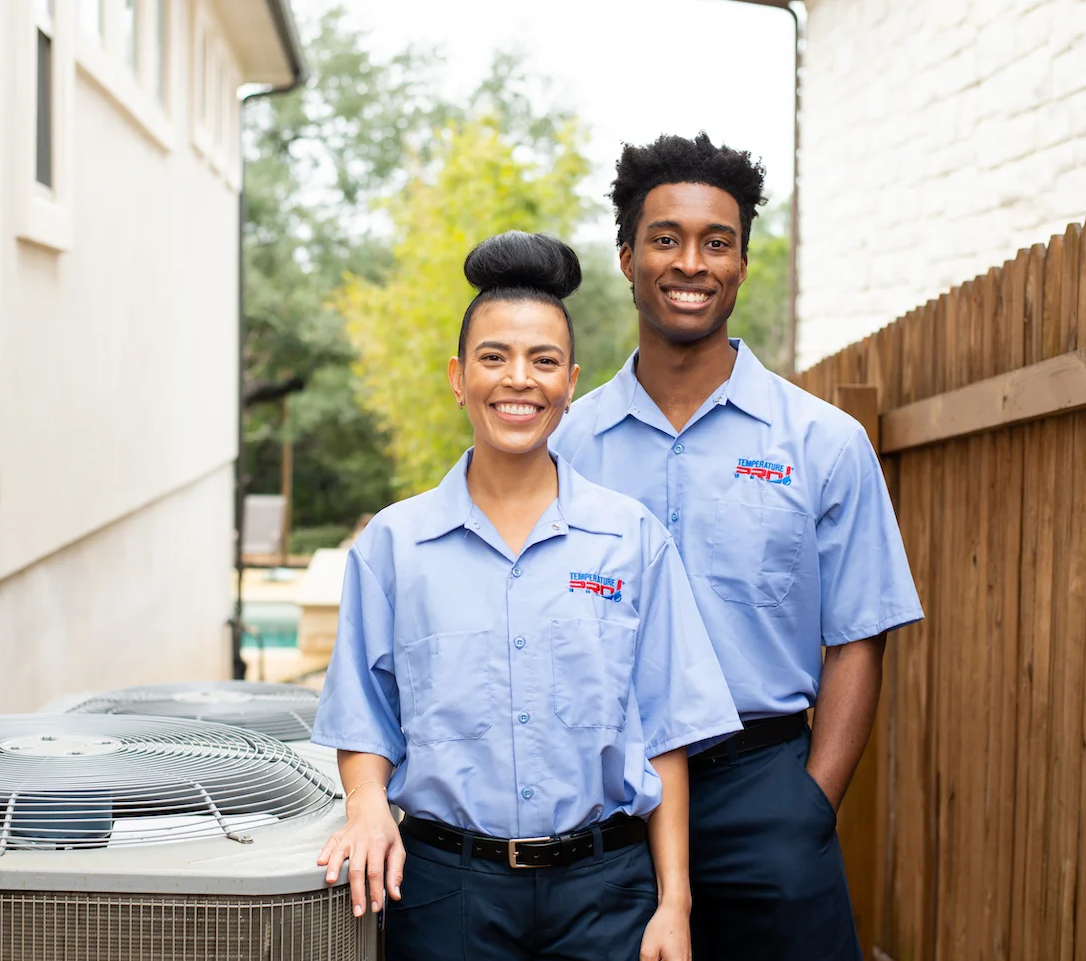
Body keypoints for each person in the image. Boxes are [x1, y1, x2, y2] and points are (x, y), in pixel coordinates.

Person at [311, 231, 741, 961]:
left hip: (606, 894)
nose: (519, 379)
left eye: (543, 361)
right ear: (457, 376)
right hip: (448, 894)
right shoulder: (393, 545)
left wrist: (674, 902)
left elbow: (667, 732)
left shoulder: (630, 539)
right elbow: (364, 716)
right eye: (493, 357)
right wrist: (366, 805)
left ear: (570, 382)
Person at [551, 134, 924, 960]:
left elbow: (859, 634)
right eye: (666, 237)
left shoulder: (825, 442)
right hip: (606, 800)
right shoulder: (565, 450)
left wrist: (810, 807)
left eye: (717, 241)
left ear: (743, 264)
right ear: (627, 256)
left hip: (766, 791)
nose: (692, 261)